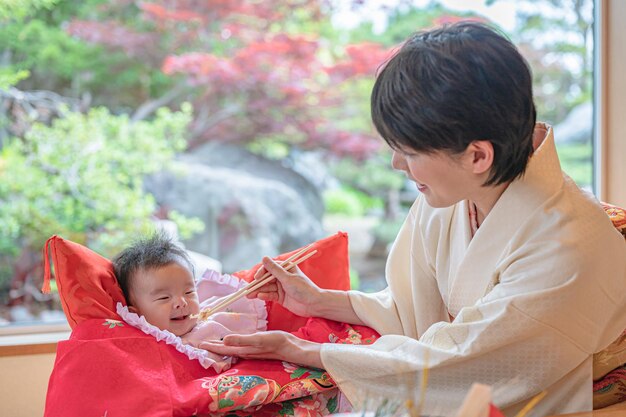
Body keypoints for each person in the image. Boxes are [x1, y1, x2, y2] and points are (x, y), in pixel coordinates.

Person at [201, 21, 626, 416]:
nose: (396, 165)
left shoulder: (569, 246)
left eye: (410, 152)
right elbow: (415, 309)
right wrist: (321, 300)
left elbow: (467, 365)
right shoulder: (461, 187)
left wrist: (305, 351)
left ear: (478, 155)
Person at [112, 233, 266, 370]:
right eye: (164, 297)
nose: (182, 302)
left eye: (189, 292)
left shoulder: (213, 321)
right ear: (136, 314)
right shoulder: (142, 348)